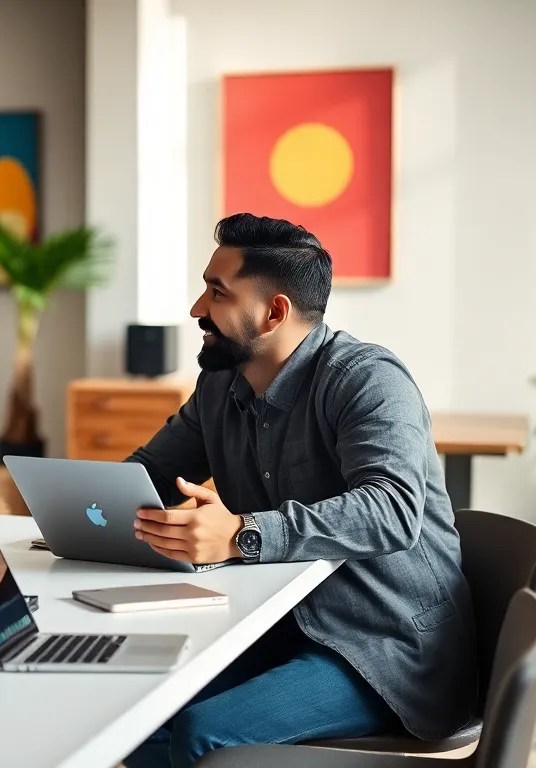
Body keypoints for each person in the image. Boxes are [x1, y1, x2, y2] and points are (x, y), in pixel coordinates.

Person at [121, 214, 477, 768]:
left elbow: (392, 510)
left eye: (217, 293)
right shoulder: (220, 385)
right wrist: (89, 508)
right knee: (134, 710)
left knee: (202, 733)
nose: (196, 309)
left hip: (386, 646)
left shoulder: (367, 379)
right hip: (279, 619)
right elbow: (152, 472)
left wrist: (240, 534)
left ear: (274, 312)